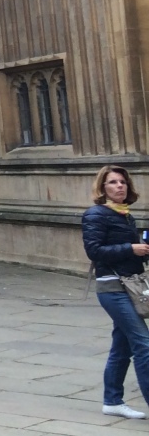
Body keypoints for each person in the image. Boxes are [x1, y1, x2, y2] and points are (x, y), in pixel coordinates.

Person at [83, 165, 149, 419]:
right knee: (144, 344)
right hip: (112, 287)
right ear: (102, 187)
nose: (119, 186)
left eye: (122, 182)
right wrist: (131, 248)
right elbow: (94, 251)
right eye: (113, 182)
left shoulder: (125, 215)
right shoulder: (95, 214)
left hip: (130, 284)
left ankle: (112, 401)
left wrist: (142, 250)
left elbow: (128, 252)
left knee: (122, 347)